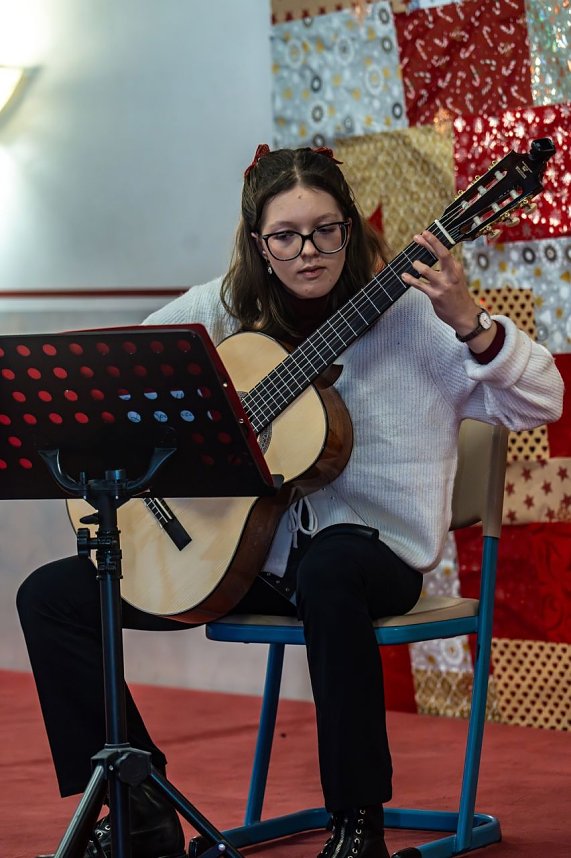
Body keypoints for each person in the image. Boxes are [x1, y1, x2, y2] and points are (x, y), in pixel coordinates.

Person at [17, 144, 564, 858]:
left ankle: (356, 822)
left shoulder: (415, 316)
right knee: (50, 596)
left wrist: (471, 324)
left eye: (325, 230)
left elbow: (541, 401)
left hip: (371, 560)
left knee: (328, 570)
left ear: (349, 229)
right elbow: (130, 372)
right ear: (258, 244)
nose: (307, 250)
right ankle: (138, 807)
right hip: (244, 562)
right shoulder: (223, 307)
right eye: (285, 236)